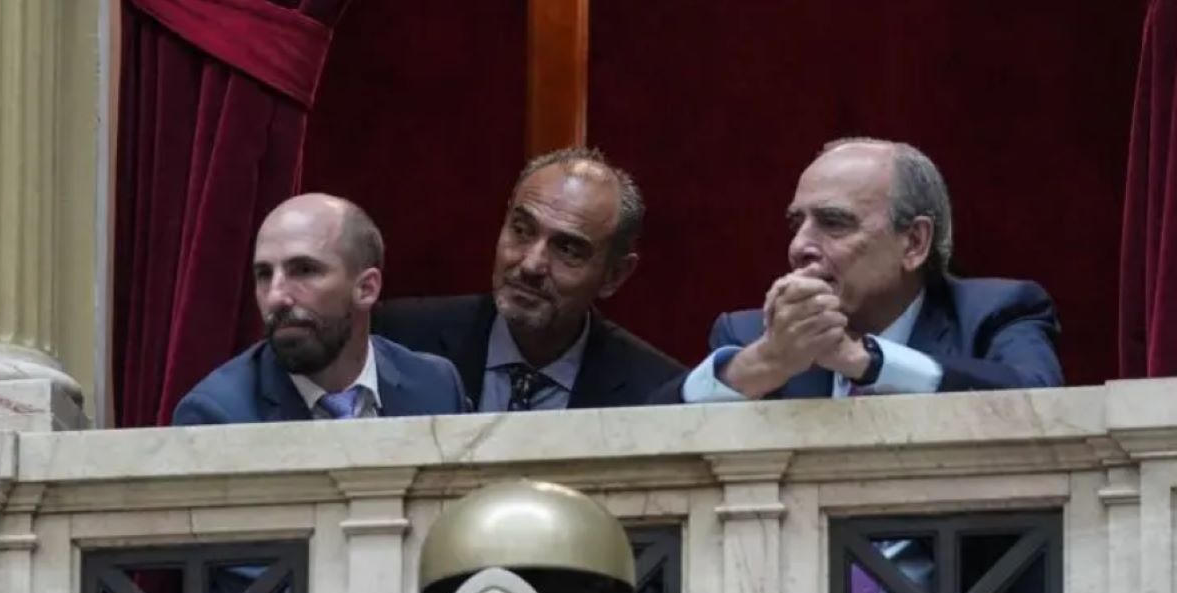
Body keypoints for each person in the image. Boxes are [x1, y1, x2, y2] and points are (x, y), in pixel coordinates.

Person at [654, 137, 1062, 406]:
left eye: (834, 223)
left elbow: (1045, 406)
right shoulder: (750, 335)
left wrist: (867, 361)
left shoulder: (994, 312)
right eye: (798, 224)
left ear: (914, 242)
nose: (799, 248)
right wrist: (765, 362)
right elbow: (647, 434)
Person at [372, 147, 685, 412]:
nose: (531, 264)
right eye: (522, 230)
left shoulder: (655, 395)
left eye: (568, 249)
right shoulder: (399, 339)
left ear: (614, 276)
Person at [173, 193, 467, 425]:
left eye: (303, 270)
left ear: (366, 288)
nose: (276, 297)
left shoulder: (435, 385)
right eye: (264, 274)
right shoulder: (218, 415)